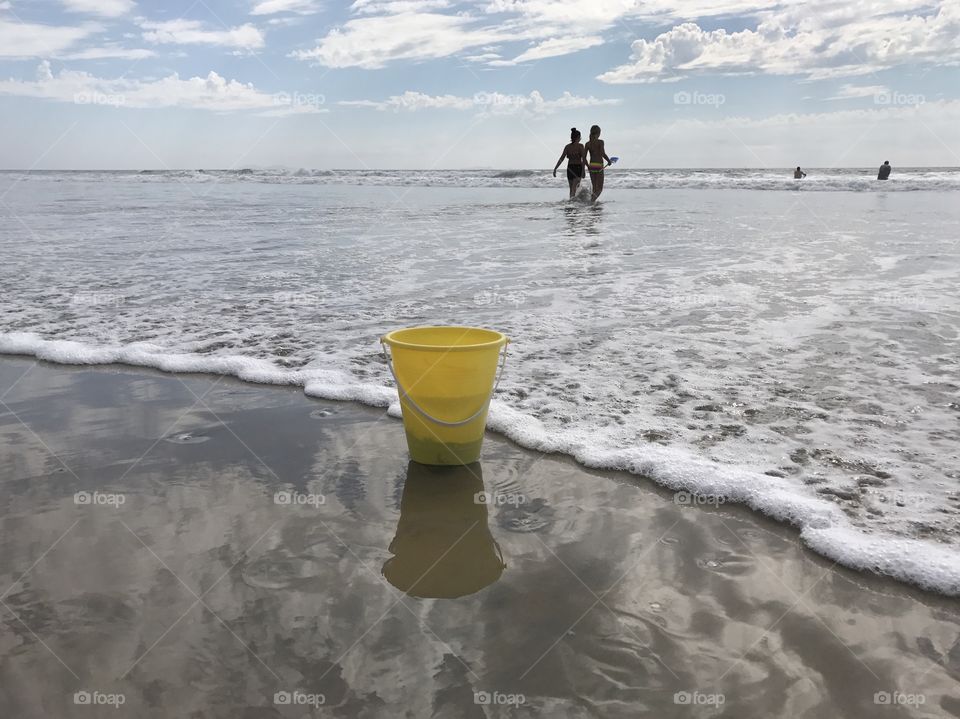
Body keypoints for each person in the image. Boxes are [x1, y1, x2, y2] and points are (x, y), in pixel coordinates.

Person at [553, 128, 585, 199]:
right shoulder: (580, 146)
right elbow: (584, 159)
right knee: (574, 189)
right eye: (580, 137)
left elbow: (561, 158)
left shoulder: (567, 147)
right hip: (578, 168)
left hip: (570, 168)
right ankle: (572, 204)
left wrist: (555, 168)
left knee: (572, 189)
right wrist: (583, 171)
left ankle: (571, 204)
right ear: (578, 137)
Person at [584, 125, 612, 201]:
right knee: (599, 189)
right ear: (598, 133)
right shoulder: (600, 142)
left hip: (591, 166)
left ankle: (592, 206)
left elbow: (583, 158)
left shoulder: (587, 144)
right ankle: (591, 202)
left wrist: (588, 166)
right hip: (599, 165)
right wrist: (608, 161)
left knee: (594, 188)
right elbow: (602, 153)